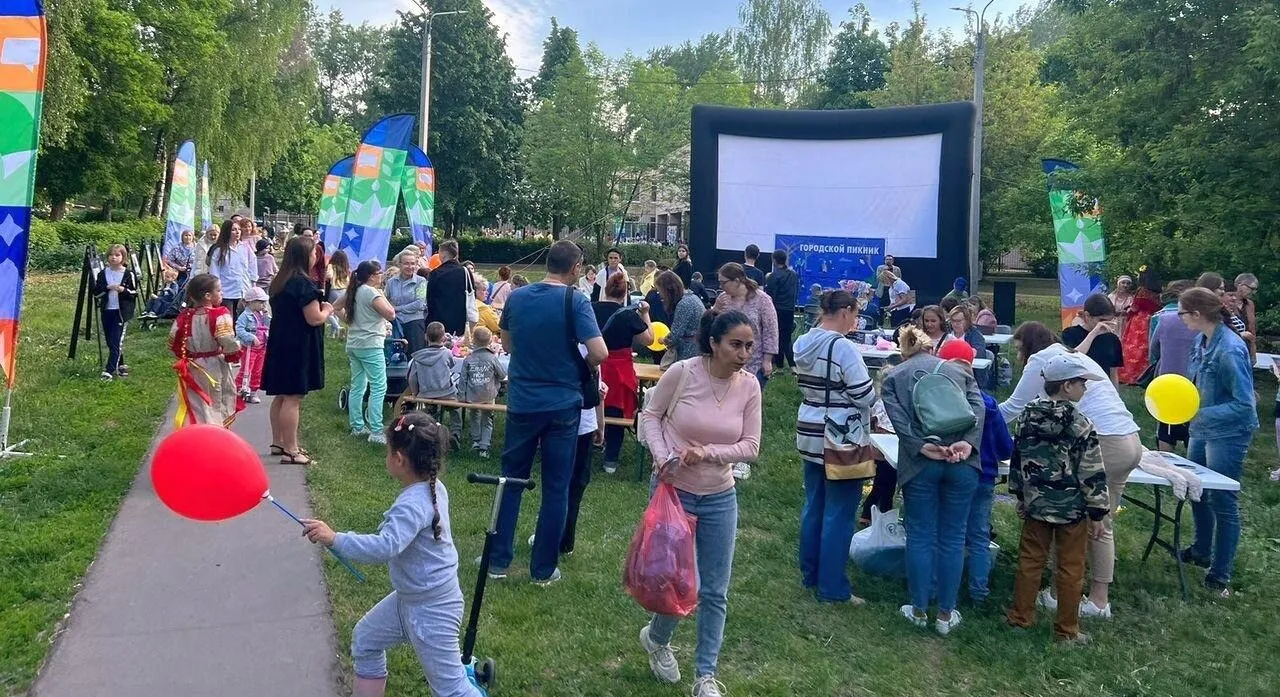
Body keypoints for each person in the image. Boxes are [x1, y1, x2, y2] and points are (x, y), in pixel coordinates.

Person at [299, 412, 488, 697]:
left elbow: (385, 546)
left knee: (451, 690)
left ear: (399, 459)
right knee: (366, 640)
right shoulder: (432, 487)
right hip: (409, 598)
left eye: (388, 452)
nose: (386, 457)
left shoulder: (412, 504)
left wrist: (334, 539)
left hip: (432, 608)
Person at [636, 310, 761, 697]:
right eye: (736, 345)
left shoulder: (750, 386)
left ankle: (705, 676)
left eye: (749, 346)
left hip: (720, 495)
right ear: (714, 343)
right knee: (678, 580)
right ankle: (658, 638)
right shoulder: (684, 372)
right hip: (674, 490)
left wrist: (708, 452)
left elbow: (751, 448)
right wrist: (662, 454)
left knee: (714, 590)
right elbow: (651, 416)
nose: (743, 353)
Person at [999, 321, 1141, 617]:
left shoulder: (1042, 362)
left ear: (1028, 345)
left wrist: (979, 414)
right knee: (1101, 524)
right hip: (1130, 439)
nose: (1018, 355)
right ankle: (1095, 597)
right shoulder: (1073, 355)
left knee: (1080, 524)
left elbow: (1013, 407)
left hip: (1104, 440)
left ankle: (1070, 596)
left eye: (1018, 348)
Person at [491, 241, 607, 584]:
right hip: (562, 405)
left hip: (523, 400)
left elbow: (508, 344)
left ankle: (498, 561)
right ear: (575, 267)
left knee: (510, 480)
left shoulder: (517, 297)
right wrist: (580, 365)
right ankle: (542, 570)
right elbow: (599, 351)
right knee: (556, 487)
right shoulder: (576, 300)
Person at [881, 327, 984, 636]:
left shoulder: (894, 378)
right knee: (953, 537)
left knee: (920, 536)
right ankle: (946, 614)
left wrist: (919, 445)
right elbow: (978, 408)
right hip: (963, 462)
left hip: (921, 463)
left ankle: (918, 608)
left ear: (904, 351)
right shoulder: (958, 370)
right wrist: (967, 443)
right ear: (932, 348)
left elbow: (898, 422)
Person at [1005, 353, 1109, 646]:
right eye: (1081, 383)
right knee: (1070, 568)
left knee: (1029, 561)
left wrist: (1019, 494)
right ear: (1066, 386)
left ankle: (1020, 618)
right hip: (1071, 509)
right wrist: (1098, 512)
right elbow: (1090, 470)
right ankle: (1066, 630)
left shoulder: (1026, 415)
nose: (1085, 389)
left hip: (1036, 504)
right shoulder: (1080, 422)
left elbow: (1018, 458)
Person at [793, 290, 876, 604]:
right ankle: (833, 587)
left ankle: (810, 574)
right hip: (841, 434)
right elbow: (863, 395)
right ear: (845, 311)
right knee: (840, 513)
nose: (856, 320)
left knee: (814, 505)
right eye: (856, 313)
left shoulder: (803, 341)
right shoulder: (844, 347)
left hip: (810, 425)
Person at [1177, 287, 1258, 597]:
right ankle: (1201, 550)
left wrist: (1199, 414)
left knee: (1222, 500)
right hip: (1202, 429)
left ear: (1197, 315)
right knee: (1198, 492)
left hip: (1229, 432)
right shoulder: (1201, 341)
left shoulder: (1230, 349)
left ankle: (1219, 574)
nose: (1180, 318)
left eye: (1183, 313)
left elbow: (1244, 404)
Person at [936, 340, 1013, 603]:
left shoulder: (938, 403)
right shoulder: (988, 403)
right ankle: (979, 593)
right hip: (985, 477)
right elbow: (1005, 448)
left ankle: (941, 590)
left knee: (948, 533)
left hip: (950, 472)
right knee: (979, 535)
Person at [263, 236, 332, 465]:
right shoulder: (303, 284)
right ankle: (291, 449)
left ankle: (278, 442)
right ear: (304, 257)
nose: (315, 258)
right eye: (313, 254)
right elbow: (314, 318)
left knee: (281, 396)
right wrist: (328, 310)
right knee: (293, 397)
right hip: (298, 346)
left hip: (281, 342)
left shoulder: (280, 281)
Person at [594, 272, 654, 474]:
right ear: (625, 293)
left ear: (605, 289)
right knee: (617, 410)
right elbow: (649, 340)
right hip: (620, 370)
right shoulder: (628, 314)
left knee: (592, 405)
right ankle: (610, 459)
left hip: (595, 365)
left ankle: (593, 446)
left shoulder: (591, 309)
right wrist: (645, 313)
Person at [170, 274, 242, 427]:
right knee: (217, 399)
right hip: (214, 365)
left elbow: (173, 340)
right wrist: (233, 353)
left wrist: (185, 355)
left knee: (197, 401)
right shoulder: (220, 314)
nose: (222, 293)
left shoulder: (184, 316)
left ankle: (199, 431)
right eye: (219, 290)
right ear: (208, 295)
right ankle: (216, 433)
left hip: (193, 365)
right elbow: (226, 339)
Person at [340, 261, 396, 444]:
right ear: (372, 276)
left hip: (354, 343)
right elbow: (390, 314)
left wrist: (349, 321)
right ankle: (376, 430)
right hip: (370, 344)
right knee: (379, 387)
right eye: (379, 273)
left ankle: (357, 426)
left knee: (358, 386)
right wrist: (382, 295)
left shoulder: (354, 290)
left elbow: (334, 306)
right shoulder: (371, 292)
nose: (382, 276)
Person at [713, 262, 779, 390]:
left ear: (737, 281)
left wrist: (767, 360)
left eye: (723, 282)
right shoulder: (723, 298)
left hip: (754, 361)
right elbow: (714, 323)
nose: (720, 286)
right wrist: (714, 310)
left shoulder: (762, 299)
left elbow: (771, 330)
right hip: (727, 360)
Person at [1149, 280, 1197, 453]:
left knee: (1165, 428)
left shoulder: (1164, 320)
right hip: (1194, 383)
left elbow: (1153, 349)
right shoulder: (1203, 325)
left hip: (1167, 381)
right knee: (1192, 429)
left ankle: (1164, 463)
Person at [408, 322, 463, 448]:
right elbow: (452, 365)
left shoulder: (418, 357)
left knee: (430, 411)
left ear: (426, 337)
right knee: (455, 409)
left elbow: (412, 377)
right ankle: (456, 434)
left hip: (426, 393)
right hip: (446, 393)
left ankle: (431, 432)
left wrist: (415, 392)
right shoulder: (446, 353)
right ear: (443, 338)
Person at [93, 244, 139, 380]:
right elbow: (96, 292)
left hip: (121, 312)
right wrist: (107, 288)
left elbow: (134, 292)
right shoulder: (103, 274)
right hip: (107, 310)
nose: (114, 257)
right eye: (111, 255)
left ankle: (109, 370)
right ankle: (121, 364)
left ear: (123, 257)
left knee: (115, 342)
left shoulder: (128, 274)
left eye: (117, 255)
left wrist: (123, 290)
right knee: (110, 340)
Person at [460, 327, 507, 459]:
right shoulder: (492, 358)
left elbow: (463, 379)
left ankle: (475, 441)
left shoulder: (468, 359)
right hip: (488, 395)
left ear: (473, 340)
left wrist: (462, 396)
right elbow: (502, 375)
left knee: (474, 415)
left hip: (472, 395)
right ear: (490, 341)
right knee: (487, 419)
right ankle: (484, 446)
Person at [1062, 294, 1124, 387]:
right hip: (1075, 389)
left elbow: (1113, 373)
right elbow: (1071, 359)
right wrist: (1093, 333)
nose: (1106, 324)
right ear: (1087, 316)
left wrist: (1115, 396)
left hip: (1102, 389)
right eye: (1101, 320)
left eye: (1110, 320)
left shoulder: (1112, 339)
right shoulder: (1070, 334)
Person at [1119, 266, 1162, 384]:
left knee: (1133, 346)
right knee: (1145, 346)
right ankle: (1144, 374)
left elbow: (1136, 307)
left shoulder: (1142, 290)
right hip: (1150, 320)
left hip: (1138, 321)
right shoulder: (1156, 292)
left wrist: (1128, 310)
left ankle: (1131, 375)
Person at [207, 219, 256, 316]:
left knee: (242, 320)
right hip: (226, 291)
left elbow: (252, 265)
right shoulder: (219, 250)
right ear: (227, 232)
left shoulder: (245, 247)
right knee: (228, 319)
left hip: (243, 290)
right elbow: (214, 272)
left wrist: (253, 283)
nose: (237, 232)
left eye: (239, 229)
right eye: (233, 230)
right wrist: (217, 289)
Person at [386, 247, 429, 355]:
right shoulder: (391, 282)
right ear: (399, 264)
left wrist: (396, 309)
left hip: (414, 324)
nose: (410, 267)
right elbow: (386, 300)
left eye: (413, 263)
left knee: (415, 356)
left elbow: (419, 304)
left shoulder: (421, 281)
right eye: (406, 263)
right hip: (395, 323)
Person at [426, 239, 471, 336]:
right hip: (461, 320)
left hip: (439, 321)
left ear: (442, 254)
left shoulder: (435, 274)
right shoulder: (465, 272)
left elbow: (429, 300)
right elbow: (472, 294)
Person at [765, 249, 800, 371]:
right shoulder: (793, 275)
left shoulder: (773, 276)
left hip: (776, 310)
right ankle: (792, 365)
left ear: (774, 260)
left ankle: (779, 366)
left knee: (776, 337)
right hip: (789, 310)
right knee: (786, 338)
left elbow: (769, 297)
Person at [234, 287, 270, 404]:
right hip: (249, 349)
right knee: (246, 370)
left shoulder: (262, 314)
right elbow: (239, 330)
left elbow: (269, 325)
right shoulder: (245, 316)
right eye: (260, 302)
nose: (263, 304)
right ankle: (238, 389)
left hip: (261, 348)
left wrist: (266, 316)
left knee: (258, 371)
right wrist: (251, 337)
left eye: (264, 302)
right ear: (250, 302)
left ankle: (253, 392)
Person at [659, 270, 704, 362]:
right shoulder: (693, 298)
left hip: (688, 351)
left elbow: (675, 336)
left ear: (668, 290)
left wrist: (663, 340)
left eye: (660, 291)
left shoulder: (684, 304)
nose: (660, 295)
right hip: (698, 347)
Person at [326, 250, 351, 339]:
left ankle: (337, 327)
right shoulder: (346, 269)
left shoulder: (331, 266)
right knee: (338, 312)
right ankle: (333, 334)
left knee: (329, 310)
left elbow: (328, 275)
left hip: (334, 290)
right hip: (344, 291)